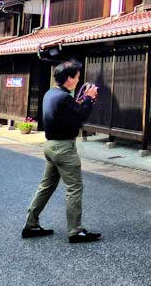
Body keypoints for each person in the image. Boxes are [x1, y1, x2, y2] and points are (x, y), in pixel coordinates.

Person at [21, 59, 102, 243]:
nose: (79, 80)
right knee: (74, 188)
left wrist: (84, 101)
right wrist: (89, 98)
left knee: (46, 186)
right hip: (64, 149)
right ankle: (75, 231)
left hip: (50, 147)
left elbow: (71, 113)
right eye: (77, 77)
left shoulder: (51, 93)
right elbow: (81, 115)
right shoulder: (64, 97)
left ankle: (31, 224)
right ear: (69, 78)